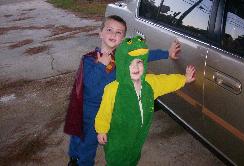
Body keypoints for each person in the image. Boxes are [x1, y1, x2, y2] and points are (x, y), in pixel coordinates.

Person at [64, 15, 181, 166]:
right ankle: (76, 160)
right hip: (90, 112)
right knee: (83, 139)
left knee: (92, 140)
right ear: (100, 33)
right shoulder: (89, 59)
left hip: (109, 109)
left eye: (119, 32)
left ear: (123, 38)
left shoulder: (121, 58)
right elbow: (90, 86)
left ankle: (78, 158)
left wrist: (167, 53)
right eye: (110, 30)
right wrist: (101, 66)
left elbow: (144, 55)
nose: (114, 34)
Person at [95, 35, 195, 166]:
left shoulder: (150, 83)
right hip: (118, 135)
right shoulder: (113, 89)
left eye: (139, 62)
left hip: (139, 133)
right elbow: (104, 111)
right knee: (116, 159)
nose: (135, 68)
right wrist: (101, 129)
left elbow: (166, 81)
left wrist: (184, 79)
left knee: (133, 155)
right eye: (130, 63)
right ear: (123, 65)